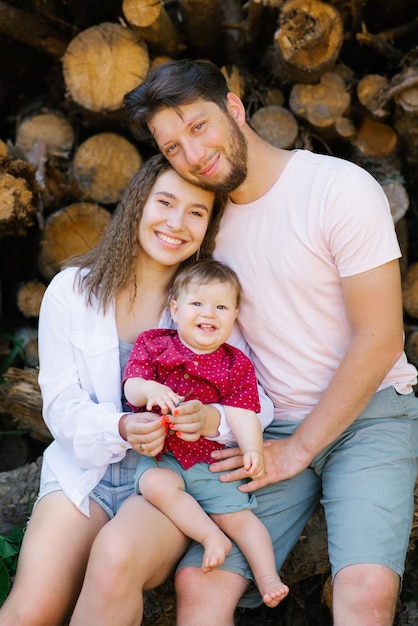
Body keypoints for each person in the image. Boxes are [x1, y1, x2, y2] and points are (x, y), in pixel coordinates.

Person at [118, 59, 418, 626]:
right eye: (173, 146)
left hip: (371, 411)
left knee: (366, 592)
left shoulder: (338, 188)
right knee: (199, 587)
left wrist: (299, 449)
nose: (193, 153)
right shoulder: (201, 227)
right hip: (266, 426)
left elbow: (381, 339)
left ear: (234, 107)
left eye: (199, 125)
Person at [0, 153, 241, 626]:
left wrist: (214, 419)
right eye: (165, 202)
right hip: (83, 473)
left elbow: (260, 403)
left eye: (196, 212)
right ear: (138, 203)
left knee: (114, 560)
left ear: (209, 226)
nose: (176, 223)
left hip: (168, 484)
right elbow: (62, 406)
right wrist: (122, 425)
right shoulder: (72, 290)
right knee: (29, 611)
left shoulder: (212, 302)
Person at [123, 259, 289, 608]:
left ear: (234, 315)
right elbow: (131, 386)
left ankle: (267, 576)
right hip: (163, 456)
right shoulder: (155, 345)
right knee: (153, 486)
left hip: (209, 461)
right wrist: (150, 390)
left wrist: (253, 450)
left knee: (241, 520)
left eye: (221, 307)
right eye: (197, 303)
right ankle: (211, 536)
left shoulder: (235, 363)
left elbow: (245, 414)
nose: (208, 313)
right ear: (175, 308)